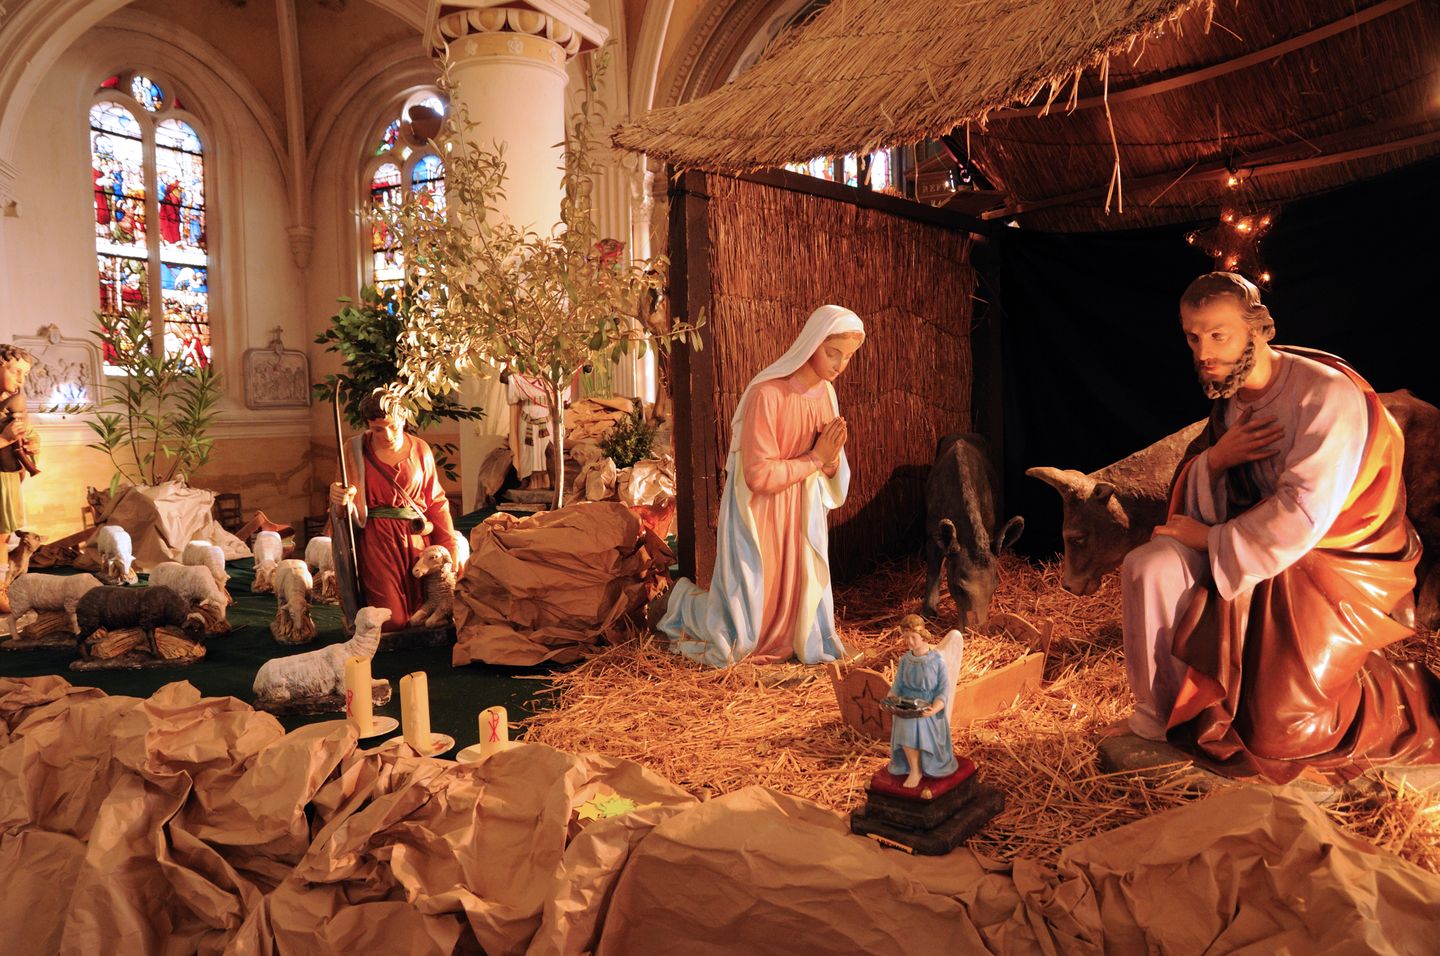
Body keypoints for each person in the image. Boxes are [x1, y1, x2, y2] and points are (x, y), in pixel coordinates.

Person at [1120, 272, 1440, 782]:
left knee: (1282, 734)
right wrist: (1214, 463)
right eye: (1192, 336)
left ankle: (1410, 704)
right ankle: (1168, 717)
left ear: (1258, 330)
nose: (1204, 352)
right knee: (1149, 565)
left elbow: (1303, 514)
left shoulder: (1325, 396)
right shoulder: (1231, 401)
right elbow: (1216, 494)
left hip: (1340, 563)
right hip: (1258, 552)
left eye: (1218, 335)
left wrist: (1211, 540)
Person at [654, 304, 864, 667]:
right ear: (812, 344)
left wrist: (830, 460)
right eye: (833, 353)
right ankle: (683, 604)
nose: (839, 365)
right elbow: (758, 476)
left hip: (800, 515)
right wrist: (815, 459)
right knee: (748, 622)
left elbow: (831, 469)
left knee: (797, 598)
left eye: (847, 357)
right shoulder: (767, 394)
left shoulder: (826, 395)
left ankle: (792, 638)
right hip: (761, 516)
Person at [330, 389, 458, 632]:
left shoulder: (420, 449)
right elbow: (342, 505)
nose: (386, 435)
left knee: (429, 609)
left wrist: (449, 548)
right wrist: (338, 497)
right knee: (393, 621)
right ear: (368, 425)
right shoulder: (355, 449)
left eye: (393, 426)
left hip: (417, 544)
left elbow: (436, 503)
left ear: (404, 418)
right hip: (378, 544)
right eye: (378, 429)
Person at [887, 614, 960, 788]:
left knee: (912, 724)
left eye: (913, 637)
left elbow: (944, 690)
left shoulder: (937, 660)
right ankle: (914, 769)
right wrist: (890, 698)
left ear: (923, 635)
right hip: (906, 705)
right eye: (906, 638)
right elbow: (898, 684)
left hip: (927, 708)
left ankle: (919, 770)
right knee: (904, 722)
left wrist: (935, 708)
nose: (910, 642)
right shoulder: (906, 660)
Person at [0, 345, 37, 552]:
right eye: (16, 371)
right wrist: (5, 439)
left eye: (25, 373)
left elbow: (30, 434)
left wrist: (32, 444)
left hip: (7, 480)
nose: (22, 379)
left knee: (3, 539)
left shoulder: (15, 405)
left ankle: (2, 584)